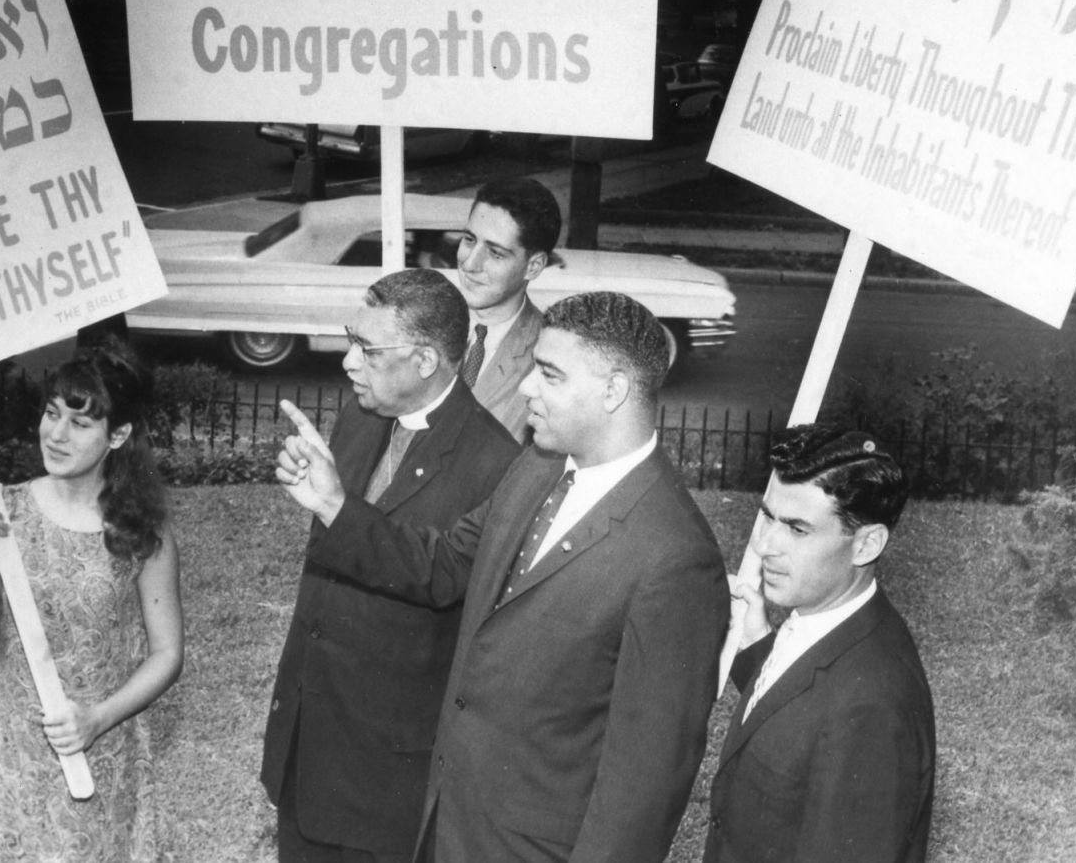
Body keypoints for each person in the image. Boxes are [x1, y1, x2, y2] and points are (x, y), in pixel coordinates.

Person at [277, 291, 728, 863]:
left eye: (550, 374)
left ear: (614, 390)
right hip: (446, 823)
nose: (526, 388)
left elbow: (645, 784)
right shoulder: (537, 466)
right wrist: (333, 505)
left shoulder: (677, 558)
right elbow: (443, 565)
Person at [262, 268, 521, 863]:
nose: (349, 362)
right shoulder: (360, 415)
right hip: (308, 744)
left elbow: (440, 575)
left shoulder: (496, 464)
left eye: (368, 349)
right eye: (351, 339)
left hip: (384, 775)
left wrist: (334, 506)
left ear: (425, 360)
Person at [0, 340, 184, 862]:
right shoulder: (6, 511)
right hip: (9, 760)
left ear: (117, 435)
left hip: (99, 755)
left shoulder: (142, 530)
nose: (56, 434)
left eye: (79, 422)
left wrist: (97, 718)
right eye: (52, 414)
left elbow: (167, 654)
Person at [704, 424, 936, 863]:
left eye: (797, 529)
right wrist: (757, 648)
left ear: (866, 544)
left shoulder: (872, 709)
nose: (763, 545)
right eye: (767, 517)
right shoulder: (833, 623)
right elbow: (801, 717)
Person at [453, 176, 562, 439]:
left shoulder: (549, 359)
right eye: (469, 240)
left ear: (533, 266)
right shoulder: (421, 324)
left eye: (495, 253)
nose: (470, 263)